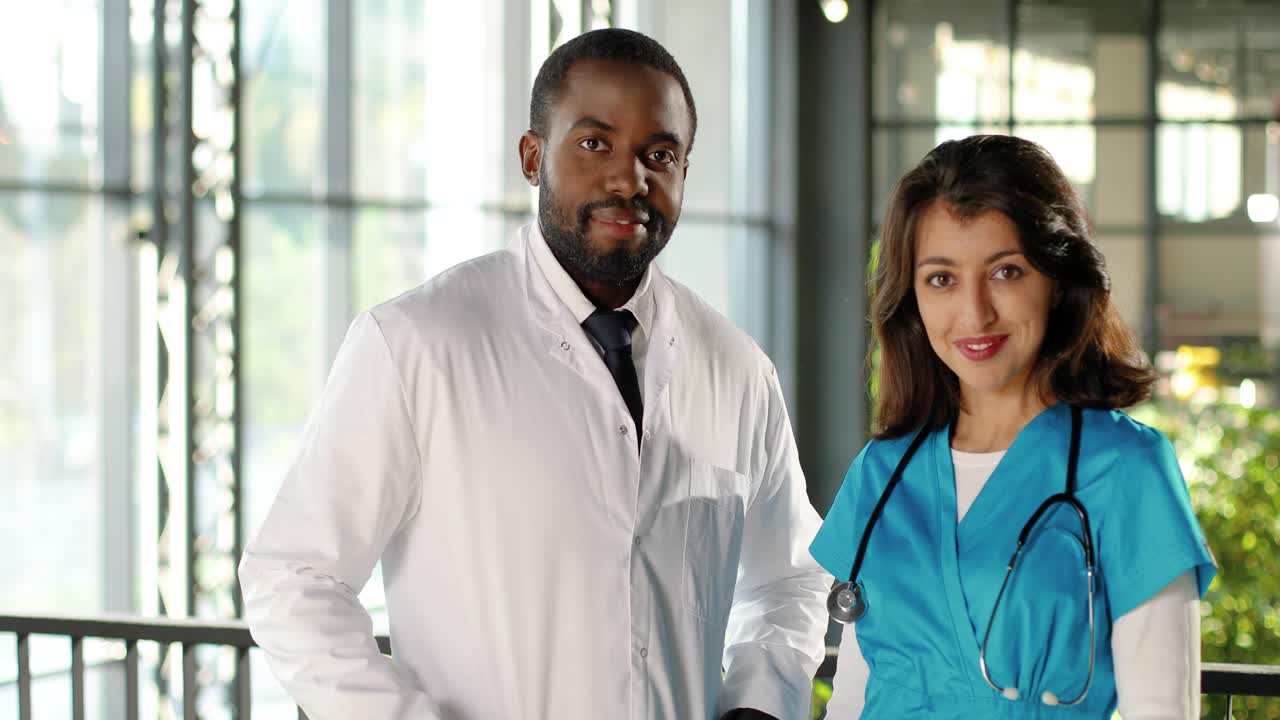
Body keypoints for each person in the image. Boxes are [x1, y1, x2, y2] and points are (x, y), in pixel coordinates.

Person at [239, 28, 830, 720]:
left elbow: (790, 580)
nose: (628, 179)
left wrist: (757, 708)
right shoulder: (414, 344)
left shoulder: (737, 369)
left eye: (659, 153)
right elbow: (294, 576)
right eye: (594, 143)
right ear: (532, 156)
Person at [809, 134, 1216, 719]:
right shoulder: (884, 474)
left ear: (1057, 278)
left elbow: (1163, 710)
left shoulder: (1126, 470)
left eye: (1006, 271)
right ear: (913, 299)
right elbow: (851, 701)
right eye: (942, 279)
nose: (975, 313)